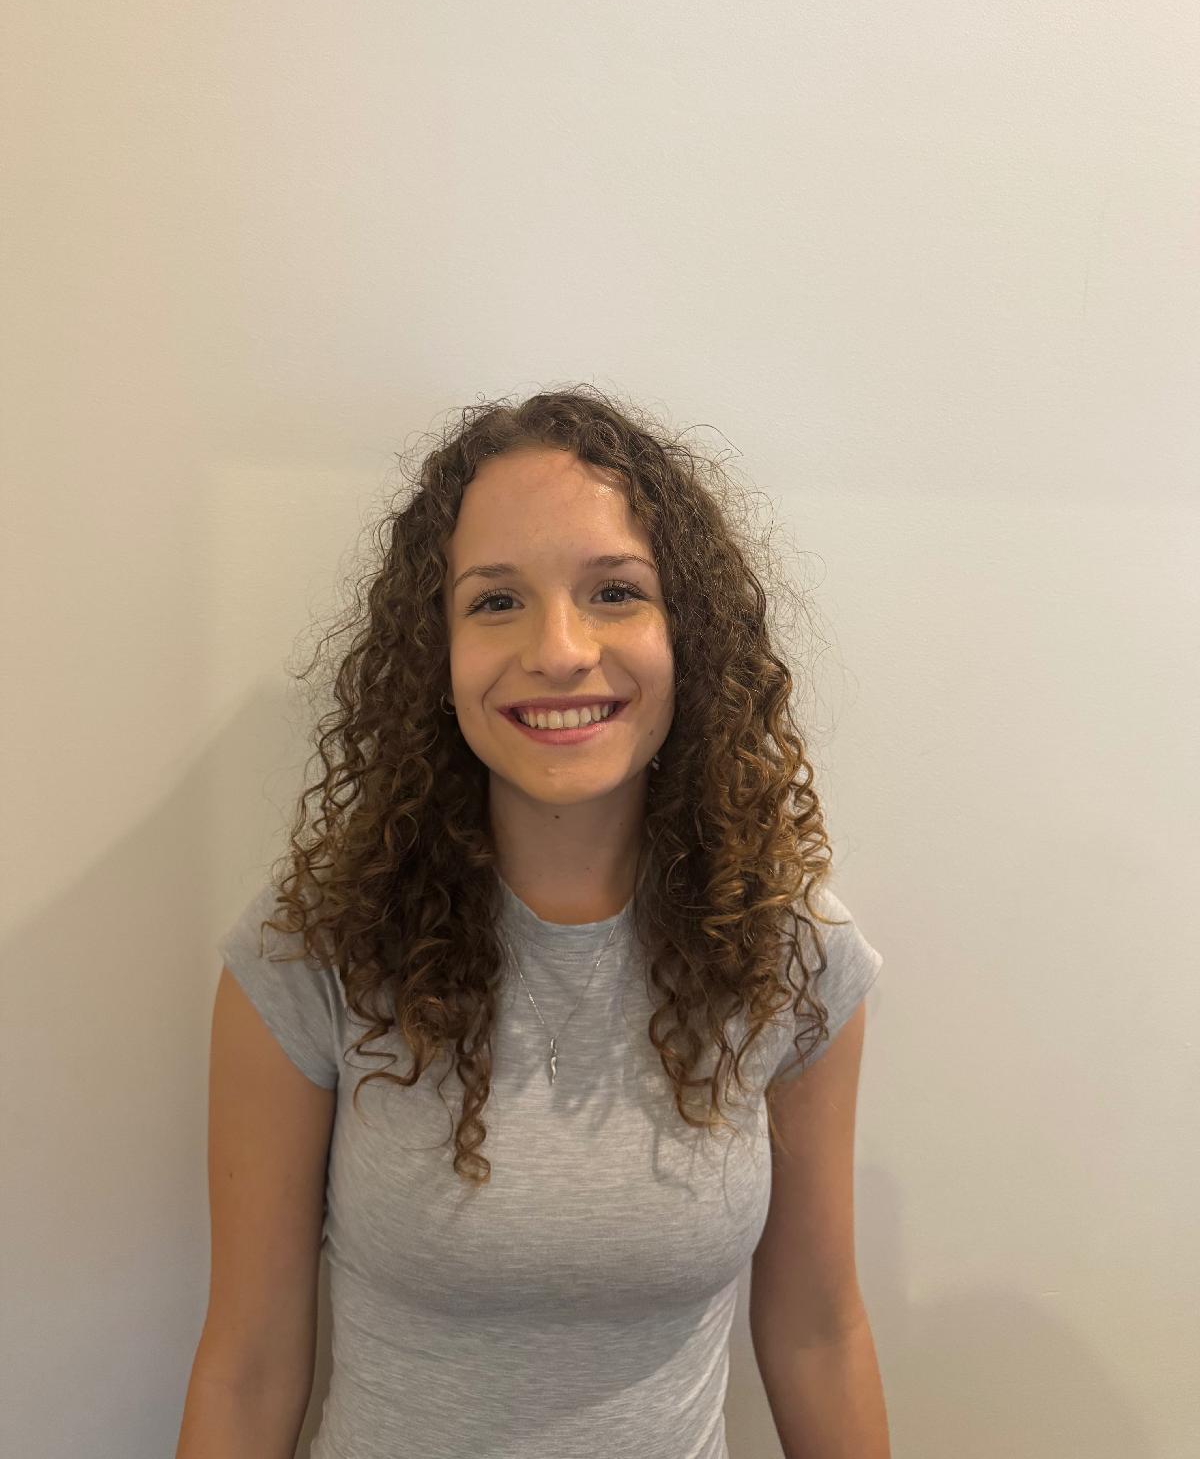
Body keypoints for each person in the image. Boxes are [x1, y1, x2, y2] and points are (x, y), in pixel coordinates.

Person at [177, 384, 887, 1459]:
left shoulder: (789, 952)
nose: (559, 649)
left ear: (688, 634)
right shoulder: (315, 950)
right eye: (497, 600)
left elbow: (819, 1335)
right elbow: (249, 1368)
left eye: (615, 592)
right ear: (436, 652)